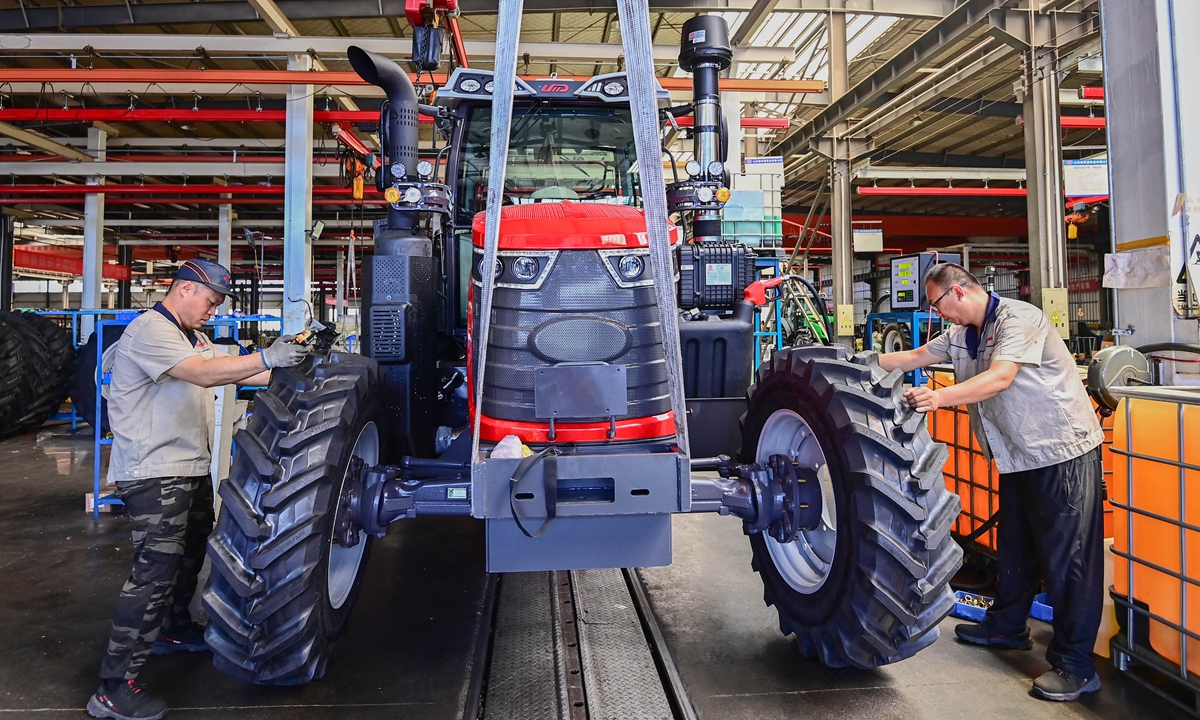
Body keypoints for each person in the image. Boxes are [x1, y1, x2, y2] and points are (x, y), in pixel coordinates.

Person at [88, 260, 312, 720]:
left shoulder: (194, 339)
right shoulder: (151, 331)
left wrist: (294, 362)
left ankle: (173, 629)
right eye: (211, 302)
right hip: (154, 474)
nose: (213, 312)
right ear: (187, 290)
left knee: (189, 556)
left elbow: (235, 372)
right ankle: (113, 685)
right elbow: (205, 375)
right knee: (154, 573)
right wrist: (268, 357)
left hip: (187, 468)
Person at [878, 262, 1105, 703]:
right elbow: (913, 357)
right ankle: (1006, 628)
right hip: (1019, 455)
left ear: (958, 292)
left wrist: (939, 398)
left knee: (1068, 562)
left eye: (937, 304)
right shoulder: (962, 334)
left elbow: (1002, 376)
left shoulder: (1019, 319)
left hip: (1062, 452)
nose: (937, 314)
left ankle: (1077, 666)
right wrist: (843, 362)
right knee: (1016, 546)